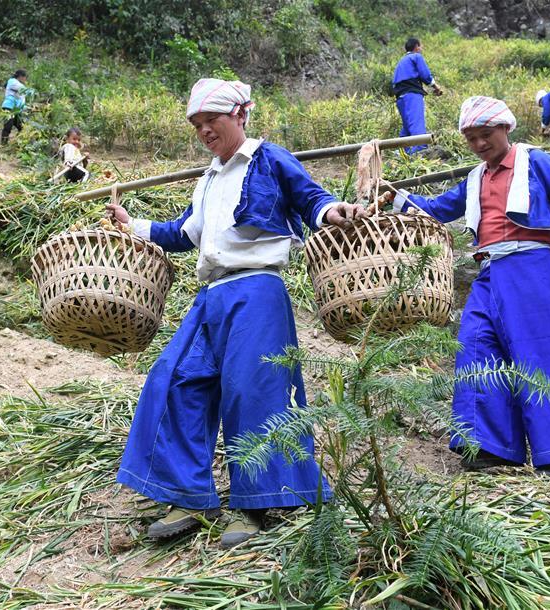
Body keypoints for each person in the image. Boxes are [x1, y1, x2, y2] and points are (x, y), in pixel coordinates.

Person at [105, 78, 366, 547]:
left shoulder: (269, 158)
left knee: (253, 391)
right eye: (198, 125)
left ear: (240, 115)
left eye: (213, 121)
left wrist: (334, 212)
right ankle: (188, 493)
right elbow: (185, 233)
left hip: (257, 290)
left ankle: (256, 501)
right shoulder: (209, 177)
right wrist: (134, 225)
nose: (205, 131)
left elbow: (312, 201)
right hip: (211, 295)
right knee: (176, 377)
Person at [379, 97, 550, 475]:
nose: (479, 145)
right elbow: (439, 209)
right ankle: (490, 446)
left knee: (540, 354)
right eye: (472, 138)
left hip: (531, 267)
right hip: (489, 270)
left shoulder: (535, 162)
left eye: (486, 135)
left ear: (505, 129)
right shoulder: (476, 178)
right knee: (477, 348)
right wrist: (397, 200)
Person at [392, 37, 442, 154]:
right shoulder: (416, 57)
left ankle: (403, 152)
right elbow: (425, 74)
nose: (422, 48)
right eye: (421, 46)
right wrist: (435, 87)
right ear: (416, 47)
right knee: (416, 123)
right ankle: (419, 152)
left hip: (400, 97)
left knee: (407, 126)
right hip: (412, 95)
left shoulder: (401, 61)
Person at [1, 69, 31, 145]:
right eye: (25, 77)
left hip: (17, 110)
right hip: (9, 107)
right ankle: (3, 144)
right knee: (8, 126)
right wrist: (31, 91)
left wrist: (27, 108)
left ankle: (20, 144)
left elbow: (21, 100)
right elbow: (24, 90)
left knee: (22, 127)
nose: (25, 79)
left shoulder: (19, 84)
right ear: (20, 76)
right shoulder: (12, 81)